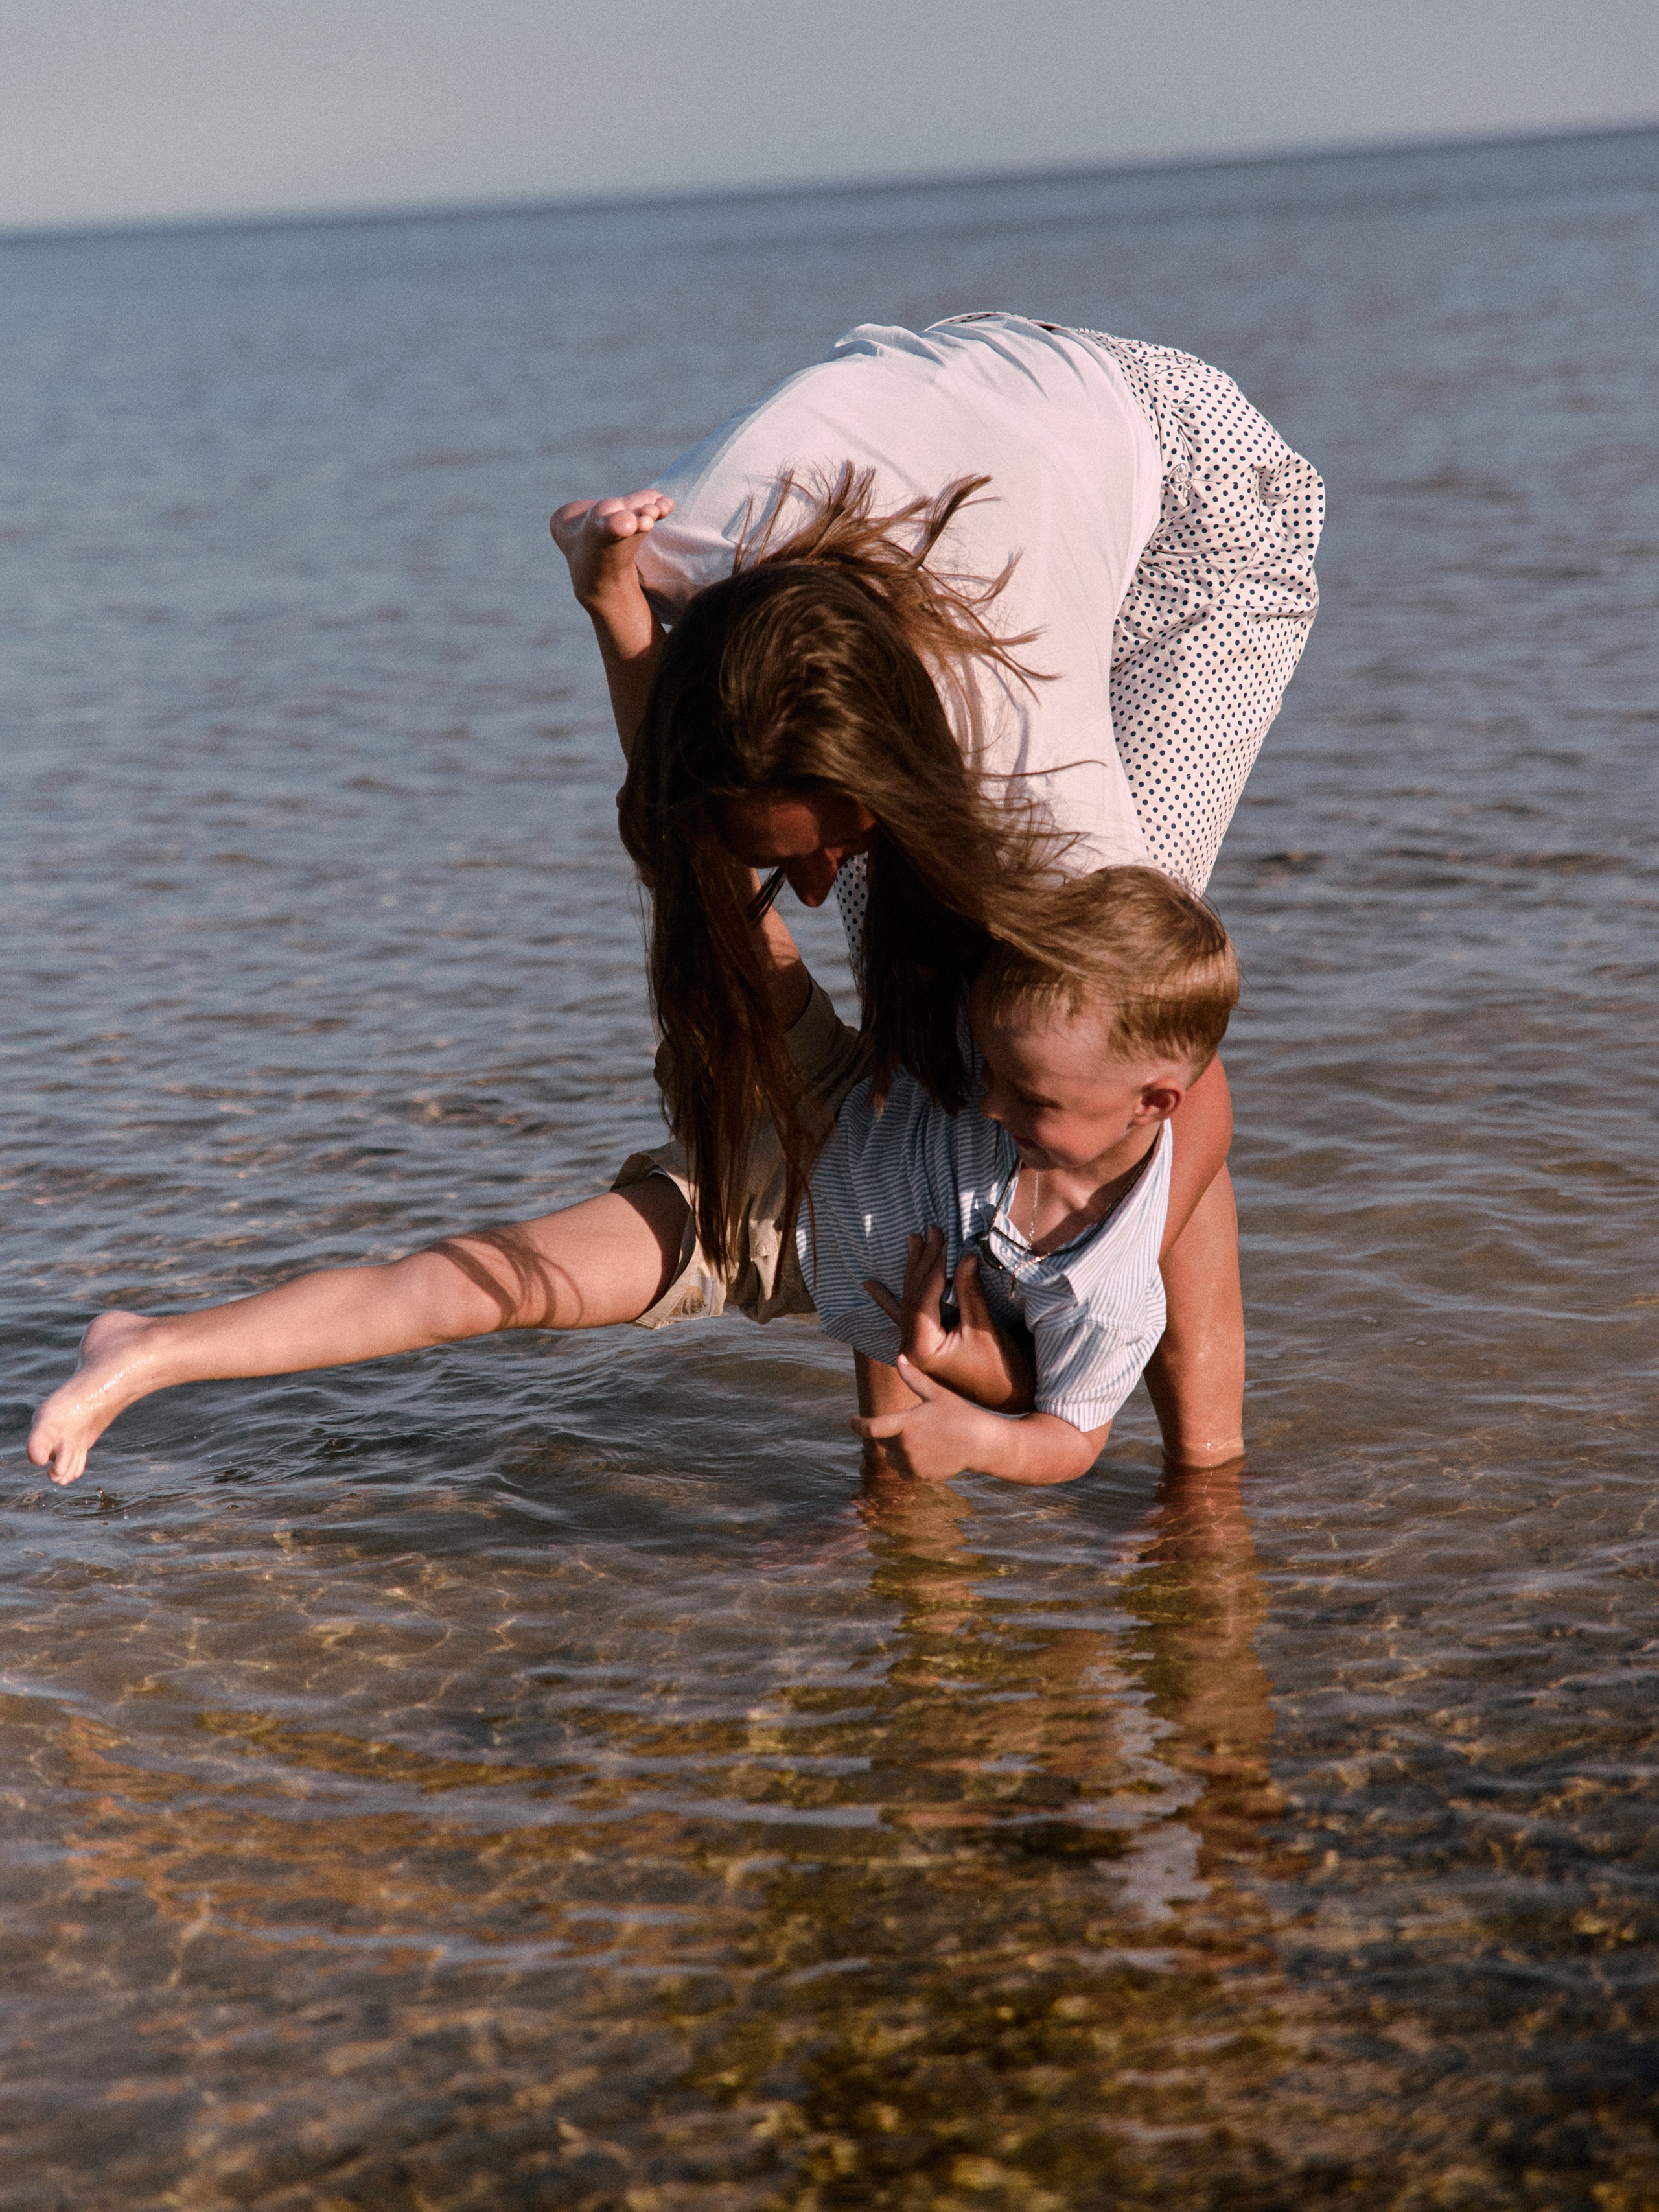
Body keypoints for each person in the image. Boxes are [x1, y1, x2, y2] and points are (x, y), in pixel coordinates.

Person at [551, 310, 1322, 1467]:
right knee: (922, 993)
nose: (807, 890)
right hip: (967, 447)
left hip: (1193, 498)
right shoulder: (675, 556)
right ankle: (895, 1457)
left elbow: (1179, 1081)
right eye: (781, 856)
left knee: (1108, 1031)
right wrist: (608, 601)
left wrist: (1068, 1373)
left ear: (894, 773)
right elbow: (680, 806)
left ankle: (1203, 1488)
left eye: (820, 845)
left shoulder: (1030, 780)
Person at [26, 864, 1232, 1493]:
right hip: (829, 1095)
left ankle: (156, 1342)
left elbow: (1071, 1438)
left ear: (1154, 1105)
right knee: (703, 881)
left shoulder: (1115, 1281)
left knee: (499, 1286)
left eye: (1030, 1104)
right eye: (996, 1074)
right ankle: (145, 1352)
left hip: (766, 1237)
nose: (991, 1101)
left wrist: (968, 1431)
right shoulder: (1034, 1049)